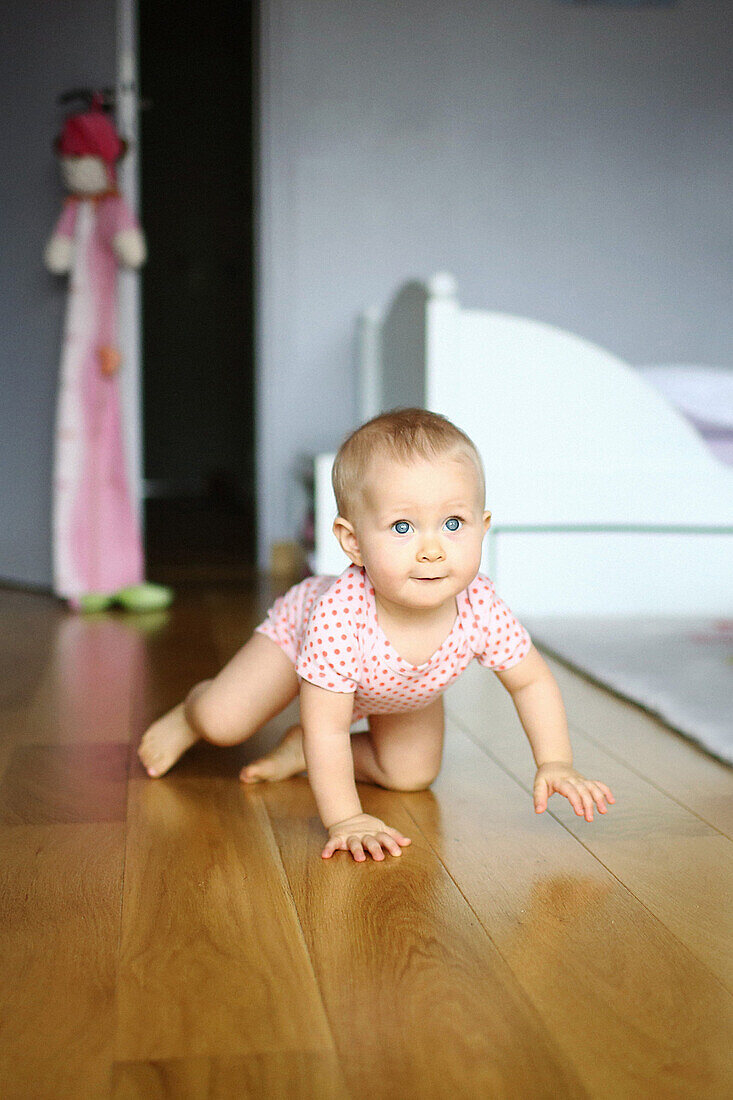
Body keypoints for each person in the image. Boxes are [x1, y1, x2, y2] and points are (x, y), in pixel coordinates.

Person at [138, 408, 615, 861]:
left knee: (411, 776)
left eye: (453, 524)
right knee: (225, 721)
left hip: (401, 692)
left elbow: (530, 681)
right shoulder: (340, 615)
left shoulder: (480, 605)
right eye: (403, 527)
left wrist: (555, 761)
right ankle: (190, 713)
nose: (432, 550)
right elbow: (328, 725)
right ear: (353, 542)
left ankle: (297, 755)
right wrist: (346, 818)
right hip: (299, 647)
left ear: (482, 527)